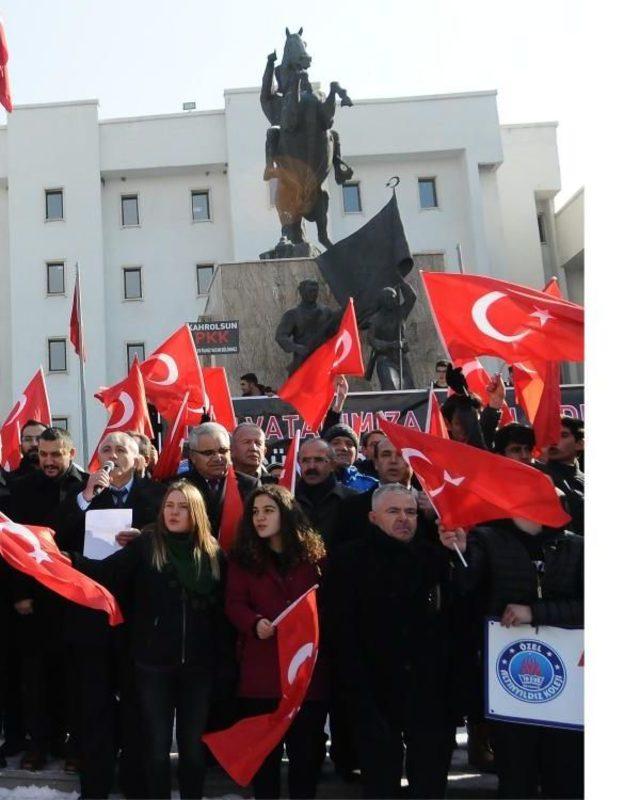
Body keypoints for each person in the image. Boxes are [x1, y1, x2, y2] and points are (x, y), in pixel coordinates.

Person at [68, 481, 235, 800]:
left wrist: (223, 662)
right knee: (156, 750)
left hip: (199, 669)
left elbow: (222, 616)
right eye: (169, 506)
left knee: (192, 750)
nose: (174, 512)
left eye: (182, 507)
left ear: (196, 513)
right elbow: (105, 573)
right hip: (153, 667)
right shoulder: (147, 545)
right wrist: (68, 559)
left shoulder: (214, 555)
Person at [329, 484, 461, 798]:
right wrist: (356, 691)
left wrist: (458, 554)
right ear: (373, 517)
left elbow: (455, 617)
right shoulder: (348, 561)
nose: (404, 519)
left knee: (429, 779)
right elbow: (341, 631)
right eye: (394, 511)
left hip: (428, 688)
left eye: (411, 511)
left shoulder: (435, 558)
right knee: (379, 780)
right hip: (372, 688)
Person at [439, 516, 584, 799]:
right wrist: (460, 553)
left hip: (568, 688)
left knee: (566, 772)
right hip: (510, 685)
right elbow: (466, 589)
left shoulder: (577, 546)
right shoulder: (486, 539)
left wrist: (535, 613)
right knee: (516, 773)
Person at [60, 431, 165, 799]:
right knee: (94, 706)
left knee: (138, 707)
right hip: (92, 618)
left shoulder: (158, 495)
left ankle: (136, 784)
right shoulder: (84, 494)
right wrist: (87, 496)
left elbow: (181, 535)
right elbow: (59, 538)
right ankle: (97, 785)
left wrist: (147, 536)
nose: (113, 455)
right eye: (106, 449)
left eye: (122, 449)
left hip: (140, 618)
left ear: (138, 457)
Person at [226, 484, 329, 799]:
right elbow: (233, 603)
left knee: (305, 759)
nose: (260, 517)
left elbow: (326, 605)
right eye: (255, 512)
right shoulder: (242, 559)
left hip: (305, 678)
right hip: (262, 676)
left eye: (268, 510)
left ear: (286, 514)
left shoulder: (315, 557)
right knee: (265, 763)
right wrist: (254, 624)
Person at [8, 427, 87, 772]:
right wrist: (20, 593)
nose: (49, 461)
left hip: (74, 595)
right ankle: (39, 745)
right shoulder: (23, 487)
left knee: (75, 677)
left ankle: (74, 747)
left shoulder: (87, 486)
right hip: (36, 599)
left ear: (70, 453)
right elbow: (11, 542)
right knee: (37, 677)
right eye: (44, 455)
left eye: (56, 454)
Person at [179, 422, 258, 534]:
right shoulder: (178, 486)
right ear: (193, 456)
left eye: (223, 451)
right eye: (208, 453)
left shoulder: (249, 485)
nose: (217, 458)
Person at [294, 438, 357, 550]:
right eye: (306, 460)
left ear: (333, 464)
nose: (311, 466)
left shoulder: (352, 500)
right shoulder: (289, 499)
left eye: (318, 460)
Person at [275, 280, 337, 375]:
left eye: (315, 291)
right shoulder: (292, 314)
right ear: (302, 292)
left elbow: (334, 333)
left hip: (322, 361)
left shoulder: (326, 312)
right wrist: (297, 347)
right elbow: (281, 336)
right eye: (310, 291)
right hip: (302, 361)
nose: (313, 294)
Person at [540, 417, 584, 536]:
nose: (553, 441)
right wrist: (493, 411)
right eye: (550, 436)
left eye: (563, 435)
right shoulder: (539, 474)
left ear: (580, 444)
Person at [322, 423, 378, 494]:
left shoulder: (373, 487)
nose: (343, 448)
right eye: (336, 443)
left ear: (356, 453)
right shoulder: (313, 484)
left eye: (349, 444)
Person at [4, 420, 47, 484]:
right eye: (28, 439)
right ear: (20, 445)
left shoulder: (61, 479)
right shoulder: (8, 482)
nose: (34, 444)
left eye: (39, 439)